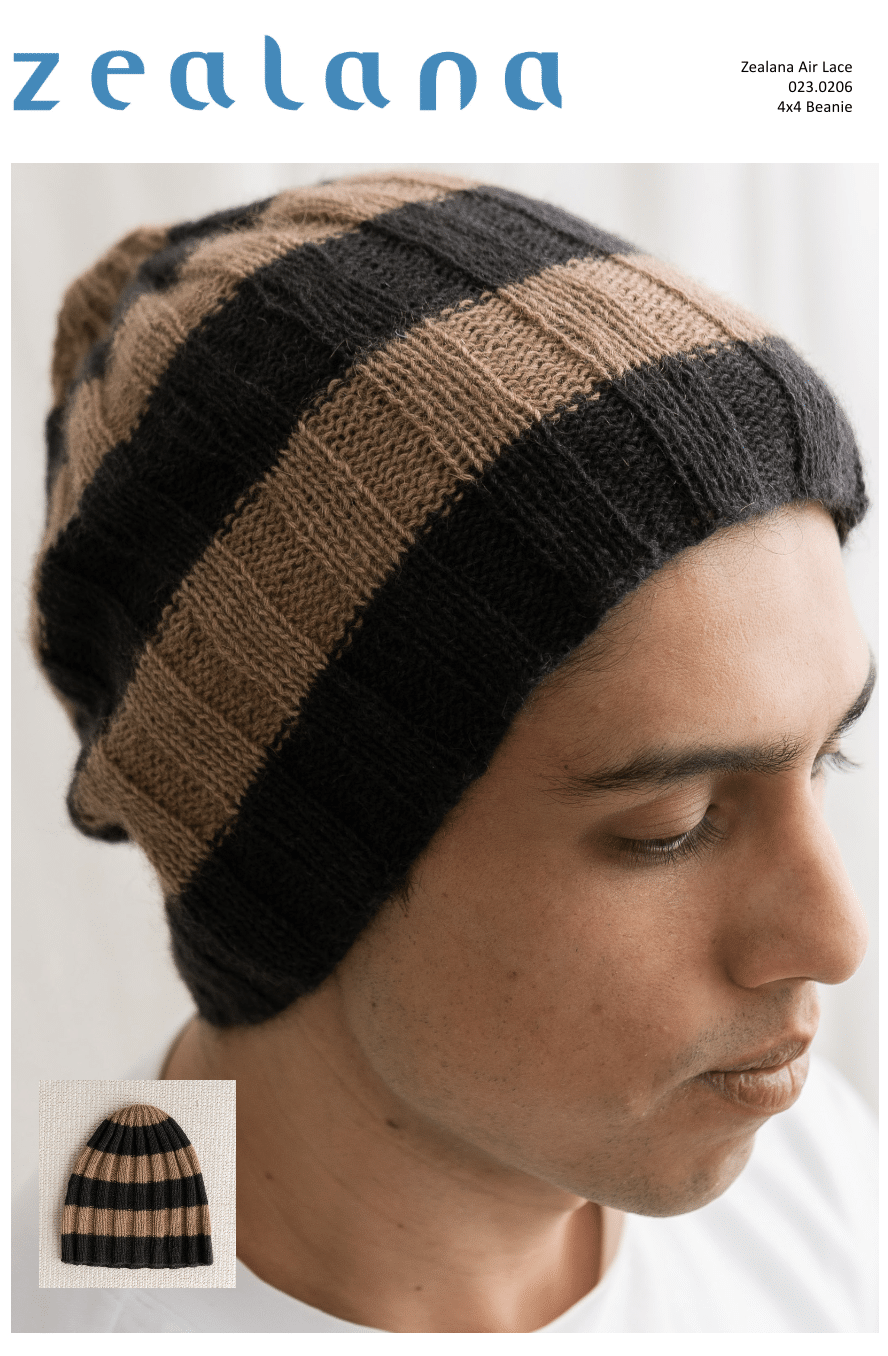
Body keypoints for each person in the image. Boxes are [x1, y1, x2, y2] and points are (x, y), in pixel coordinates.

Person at [15, 171, 876, 1332]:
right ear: (297, 865)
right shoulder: (63, 1313)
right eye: (670, 826)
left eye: (827, 759)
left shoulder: (815, 1175)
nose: (835, 940)